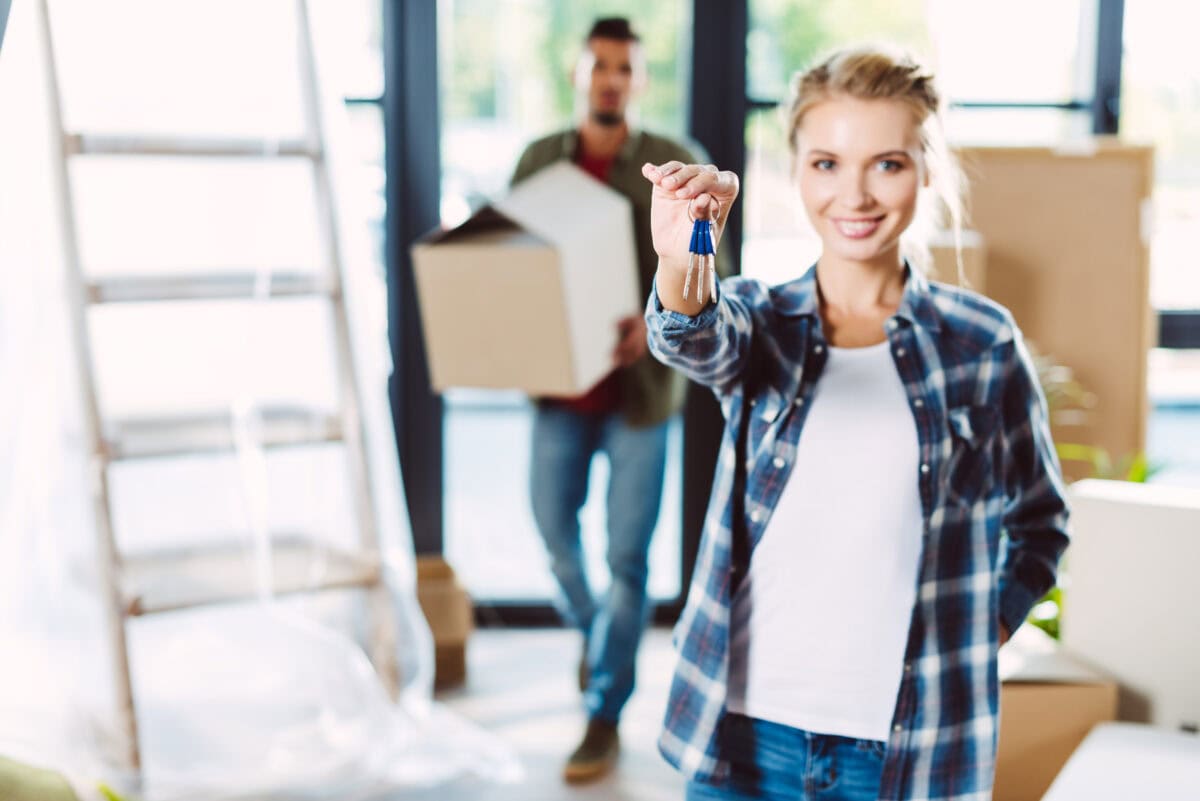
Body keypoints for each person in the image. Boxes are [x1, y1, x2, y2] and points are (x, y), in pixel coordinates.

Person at [641, 45, 1070, 801]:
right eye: (828, 163)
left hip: (907, 750)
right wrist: (685, 253)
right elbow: (694, 336)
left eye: (888, 164)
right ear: (797, 170)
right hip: (745, 734)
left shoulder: (981, 342)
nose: (857, 195)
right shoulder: (764, 320)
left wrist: (982, 629)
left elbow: (1040, 521)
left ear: (926, 170)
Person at [510, 17, 725, 784]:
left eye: (624, 68)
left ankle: (603, 709)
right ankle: (600, 633)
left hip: (641, 392)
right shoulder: (541, 160)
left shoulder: (675, 162)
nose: (610, 79)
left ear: (639, 79)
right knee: (552, 529)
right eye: (598, 66)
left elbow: (711, 270)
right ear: (579, 74)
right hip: (560, 385)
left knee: (627, 558)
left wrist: (656, 313)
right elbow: (517, 259)